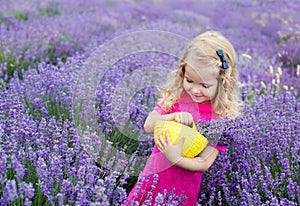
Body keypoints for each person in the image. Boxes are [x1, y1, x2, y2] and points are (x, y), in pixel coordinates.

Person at [123, 30, 240, 205]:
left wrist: (176, 158)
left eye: (205, 85)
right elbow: (148, 125)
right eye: (190, 81)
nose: (194, 90)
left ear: (222, 84)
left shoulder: (220, 117)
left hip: (182, 188)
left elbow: (204, 162)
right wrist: (172, 116)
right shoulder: (176, 98)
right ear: (182, 73)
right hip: (151, 180)